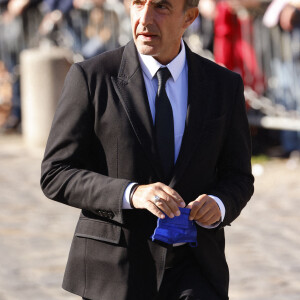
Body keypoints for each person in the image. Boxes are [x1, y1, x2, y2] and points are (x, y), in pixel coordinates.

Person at [41, 0, 254, 299]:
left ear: (189, 17)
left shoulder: (224, 85)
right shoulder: (91, 77)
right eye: (138, 3)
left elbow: (239, 176)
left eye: (161, 6)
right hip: (115, 271)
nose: (144, 18)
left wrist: (219, 204)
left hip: (196, 270)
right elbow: (56, 174)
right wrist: (132, 193)